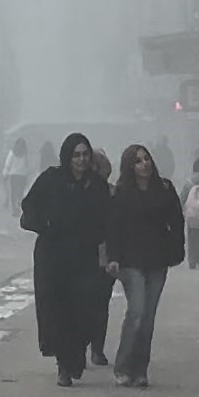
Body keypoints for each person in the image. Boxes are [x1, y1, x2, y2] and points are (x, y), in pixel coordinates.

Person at [20, 134, 109, 388]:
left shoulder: (96, 186)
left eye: (85, 154)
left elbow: (107, 219)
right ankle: (63, 365)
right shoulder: (52, 180)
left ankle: (76, 355)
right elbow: (29, 206)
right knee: (57, 311)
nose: (81, 160)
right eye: (76, 155)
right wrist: (45, 224)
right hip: (53, 256)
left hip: (85, 258)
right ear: (68, 157)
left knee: (84, 310)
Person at [106, 144, 184, 388]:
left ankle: (140, 369)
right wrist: (113, 256)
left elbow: (177, 222)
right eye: (138, 161)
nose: (144, 164)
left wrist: (176, 249)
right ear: (130, 166)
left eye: (146, 159)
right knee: (137, 312)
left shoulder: (164, 189)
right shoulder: (122, 193)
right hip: (131, 261)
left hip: (157, 260)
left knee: (148, 317)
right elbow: (114, 227)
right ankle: (123, 365)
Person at [88, 148, 117, 367]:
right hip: (90, 257)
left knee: (97, 304)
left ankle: (95, 348)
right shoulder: (77, 192)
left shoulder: (113, 194)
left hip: (104, 257)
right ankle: (94, 349)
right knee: (97, 305)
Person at [2, 138, 32, 217]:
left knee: (14, 193)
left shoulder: (12, 153)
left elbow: (8, 164)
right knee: (20, 193)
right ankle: (19, 207)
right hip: (22, 176)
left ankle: (15, 209)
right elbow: (27, 164)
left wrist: (5, 173)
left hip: (13, 175)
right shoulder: (25, 154)